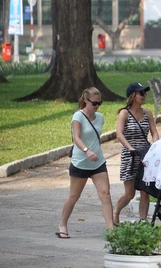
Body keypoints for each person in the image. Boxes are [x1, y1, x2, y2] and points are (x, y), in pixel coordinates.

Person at [57, 87, 114, 239]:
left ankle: (111, 229)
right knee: (74, 196)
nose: (97, 106)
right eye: (94, 103)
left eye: (99, 103)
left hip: (98, 163)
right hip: (81, 162)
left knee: (105, 194)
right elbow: (76, 138)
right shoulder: (78, 116)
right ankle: (62, 223)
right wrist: (87, 150)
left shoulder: (100, 117)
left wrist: (94, 152)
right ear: (86, 101)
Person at [113, 82, 159, 224]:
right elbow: (119, 134)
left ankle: (143, 220)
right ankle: (116, 212)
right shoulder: (124, 113)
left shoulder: (147, 112)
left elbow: (154, 132)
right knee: (130, 193)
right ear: (133, 96)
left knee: (145, 191)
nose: (144, 95)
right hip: (131, 156)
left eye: (145, 93)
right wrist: (130, 148)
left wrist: (156, 146)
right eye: (141, 93)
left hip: (145, 154)